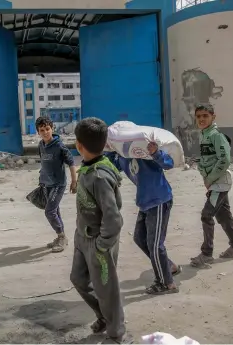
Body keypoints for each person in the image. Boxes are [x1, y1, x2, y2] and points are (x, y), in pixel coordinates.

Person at [70, 117, 128, 344]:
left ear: (78, 145)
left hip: (99, 242)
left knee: (107, 290)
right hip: (82, 238)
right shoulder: (87, 168)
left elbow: (113, 218)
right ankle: (103, 317)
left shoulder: (100, 175)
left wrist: (102, 245)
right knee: (78, 279)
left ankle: (116, 333)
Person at [105, 141, 182, 295]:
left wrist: (155, 153)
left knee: (155, 244)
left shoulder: (144, 149)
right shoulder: (123, 155)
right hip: (144, 201)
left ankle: (166, 283)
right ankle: (169, 267)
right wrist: (110, 151)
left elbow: (168, 163)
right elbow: (112, 168)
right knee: (140, 238)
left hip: (159, 200)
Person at [190, 103, 233, 268]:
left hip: (220, 184)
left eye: (205, 116)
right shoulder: (203, 135)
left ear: (213, 117)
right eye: (198, 116)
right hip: (214, 183)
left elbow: (224, 160)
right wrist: (202, 171)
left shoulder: (216, 135)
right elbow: (207, 159)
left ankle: (207, 253)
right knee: (224, 216)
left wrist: (211, 179)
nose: (201, 119)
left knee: (206, 215)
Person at [36, 116, 77, 253]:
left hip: (58, 184)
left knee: (49, 212)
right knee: (55, 211)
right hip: (46, 184)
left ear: (52, 128)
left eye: (47, 129)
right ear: (38, 132)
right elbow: (44, 163)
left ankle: (62, 237)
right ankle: (60, 237)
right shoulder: (41, 145)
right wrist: (41, 179)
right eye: (42, 130)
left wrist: (74, 181)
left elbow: (71, 163)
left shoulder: (59, 146)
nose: (45, 132)